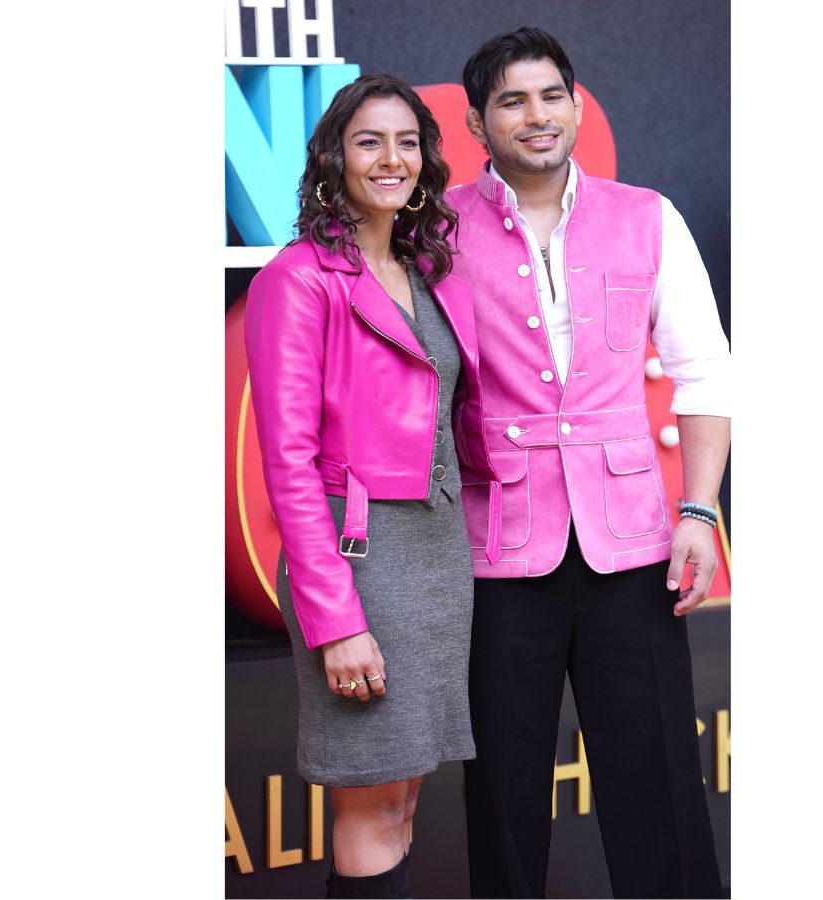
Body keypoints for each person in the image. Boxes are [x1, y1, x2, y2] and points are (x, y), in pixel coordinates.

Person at [449, 27, 731, 899]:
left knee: (659, 787)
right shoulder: (436, 228)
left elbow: (704, 370)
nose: (536, 116)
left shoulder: (647, 215)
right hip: (496, 550)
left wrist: (700, 511)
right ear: (477, 122)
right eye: (511, 101)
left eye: (550, 97)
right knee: (503, 797)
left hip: (632, 548)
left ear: (575, 106)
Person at [243, 73, 501, 900]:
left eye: (407, 142)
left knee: (404, 799)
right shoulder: (298, 278)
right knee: (371, 803)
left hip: (436, 554)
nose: (391, 159)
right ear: (334, 159)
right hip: (358, 560)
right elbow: (287, 463)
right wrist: (335, 620)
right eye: (368, 141)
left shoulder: (430, 271)